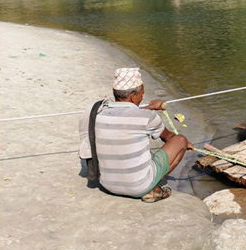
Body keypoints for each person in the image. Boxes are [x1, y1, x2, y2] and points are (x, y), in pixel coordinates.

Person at [79, 68, 194, 203]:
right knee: (181, 140)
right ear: (133, 95)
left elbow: (124, 115)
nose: (142, 97)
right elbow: (170, 138)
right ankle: (152, 187)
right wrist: (186, 144)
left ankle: (145, 184)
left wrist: (150, 107)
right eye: (141, 94)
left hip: (107, 185)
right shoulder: (148, 118)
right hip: (138, 188)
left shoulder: (98, 113)